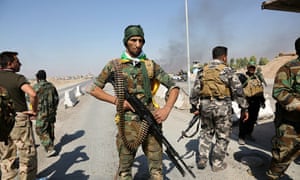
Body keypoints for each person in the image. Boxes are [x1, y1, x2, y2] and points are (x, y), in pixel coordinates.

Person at [89, 25, 179, 180]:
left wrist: (166, 109)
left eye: (141, 41)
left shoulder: (150, 65)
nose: (138, 44)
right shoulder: (114, 65)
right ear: (126, 42)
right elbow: (94, 89)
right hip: (127, 123)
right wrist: (117, 101)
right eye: (133, 40)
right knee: (124, 171)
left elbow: (174, 87)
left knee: (157, 171)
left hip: (150, 121)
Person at [189, 46, 249, 172]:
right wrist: (244, 108)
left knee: (206, 132)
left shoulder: (203, 70)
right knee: (222, 136)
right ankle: (217, 164)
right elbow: (238, 90)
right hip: (222, 107)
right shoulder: (227, 70)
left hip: (205, 107)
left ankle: (202, 159)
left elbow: (195, 90)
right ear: (224, 57)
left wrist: (194, 105)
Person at [0, 51, 38, 180]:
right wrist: (33, 110)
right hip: (18, 120)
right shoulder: (17, 78)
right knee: (27, 154)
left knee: (6, 156)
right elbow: (32, 94)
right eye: (17, 61)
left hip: (1, 122)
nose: (20, 64)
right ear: (10, 64)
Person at [266, 37, 300, 179]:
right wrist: (298, 105)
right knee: (282, 157)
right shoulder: (289, 68)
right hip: (291, 125)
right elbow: (279, 91)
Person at [237, 61, 266, 145]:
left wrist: (262, 101)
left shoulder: (257, 78)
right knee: (244, 119)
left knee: (253, 119)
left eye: (253, 68)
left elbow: (260, 90)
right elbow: (239, 91)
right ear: (247, 68)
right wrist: (241, 103)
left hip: (256, 102)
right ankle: (241, 137)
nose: (252, 69)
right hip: (246, 102)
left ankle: (249, 134)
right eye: (250, 68)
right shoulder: (243, 77)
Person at [33, 70, 59, 157]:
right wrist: (54, 108)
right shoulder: (51, 86)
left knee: (40, 129)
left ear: (37, 77)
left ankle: (49, 148)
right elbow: (56, 98)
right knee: (50, 128)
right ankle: (51, 144)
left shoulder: (36, 87)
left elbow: (30, 98)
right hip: (51, 112)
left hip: (41, 112)